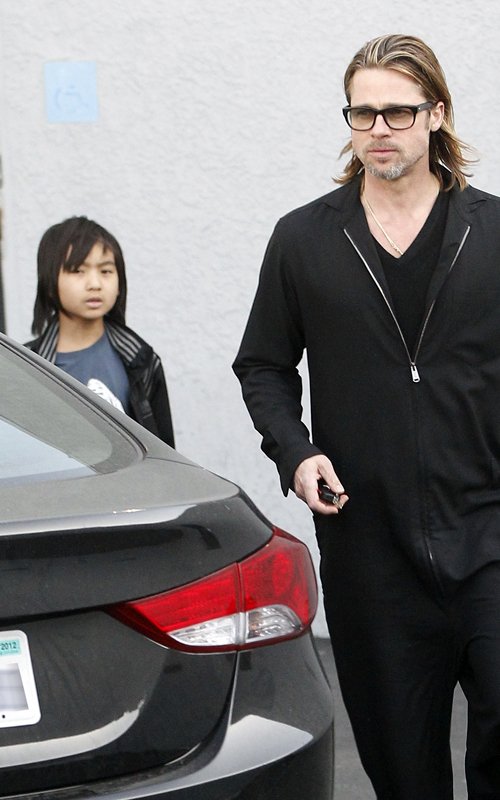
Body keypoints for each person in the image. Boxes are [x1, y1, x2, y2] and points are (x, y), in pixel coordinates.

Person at [233, 33, 500, 800]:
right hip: (371, 554)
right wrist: (295, 452)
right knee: (404, 775)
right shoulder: (304, 239)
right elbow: (263, 365)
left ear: (436, 114)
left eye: (398, 111)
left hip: (489, 536)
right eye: (362, 113)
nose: (379, 128)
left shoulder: (491, 231)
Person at [26, 215, 175, 447]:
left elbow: (165, 452)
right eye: (78, 271)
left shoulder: (141, 361)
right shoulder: (27, 368)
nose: (95, 284)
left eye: (105, 271)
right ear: (50, 283)